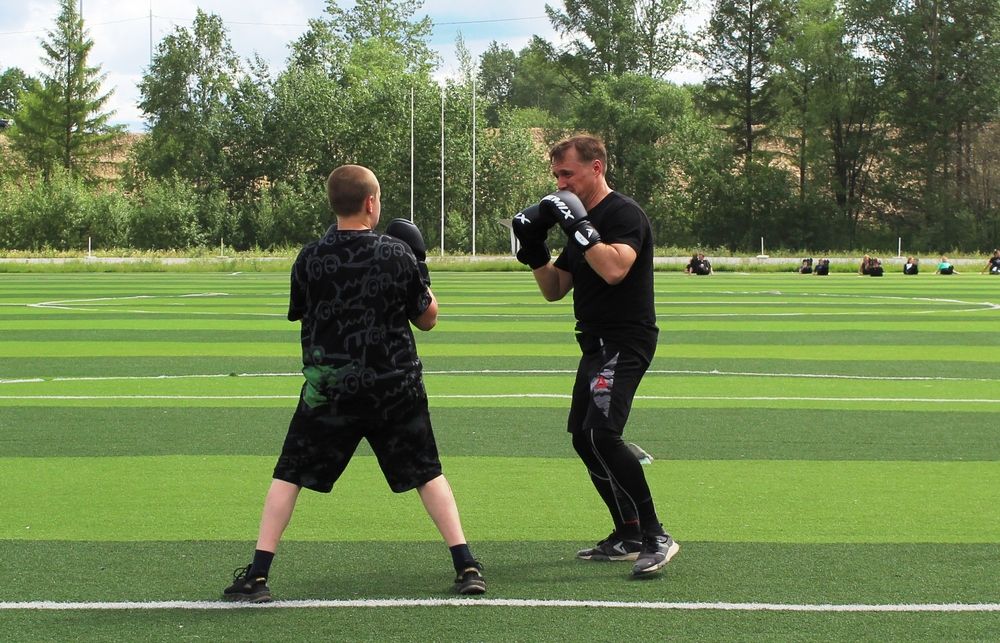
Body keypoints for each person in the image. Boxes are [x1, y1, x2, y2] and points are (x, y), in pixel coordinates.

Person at [222, 165, 485, 602]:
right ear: (371, 202)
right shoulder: (397, 254)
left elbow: (301, 313)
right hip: (394, 386)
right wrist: (421, 267)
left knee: (289, 475)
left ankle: (258, 574)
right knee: (427, 473)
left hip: (330, 388)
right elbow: (427, 318)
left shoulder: (309, 257)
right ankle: (466, 565)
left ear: (333, 204)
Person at [510, 135, 679, 578]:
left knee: (603, 435)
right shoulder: (580, 220)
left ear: (596, 167)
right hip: (594, 342)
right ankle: (628, 532)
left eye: (567, 174)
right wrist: (533, 251)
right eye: (556, 175)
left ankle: (656, 534)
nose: (560, 184)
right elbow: (554, 289)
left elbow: (614, 268)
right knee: (583, 439)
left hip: (626, 339)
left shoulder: (623, 214)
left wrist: (577, 225)